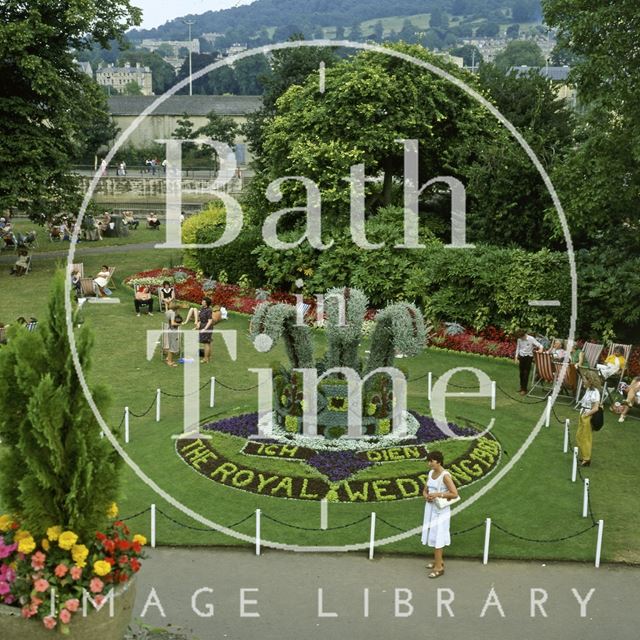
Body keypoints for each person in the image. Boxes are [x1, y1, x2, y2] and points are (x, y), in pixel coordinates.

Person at [421, 450, 458, 579]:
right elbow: (425, 491)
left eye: (431, 461)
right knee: (433, 534)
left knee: (438, 536)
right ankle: (438, 561)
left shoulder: (445, 476)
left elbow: (454, 494)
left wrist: (438, 494)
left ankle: (439, 568)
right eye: (429, 461)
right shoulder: (431, 473)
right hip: (431, 508)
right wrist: (427, 497)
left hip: (441, 511)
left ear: (439, 461)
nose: (429, 463)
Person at [576, 376, 601, 467]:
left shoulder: (595, 392)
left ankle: (586, 459)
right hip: (583, 414)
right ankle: (584, 456)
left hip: (587, 417)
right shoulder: (588, 390)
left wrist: (586, 415)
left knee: (586, 437)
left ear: (590, 381)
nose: (583, 381)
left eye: (585, 380)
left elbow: (595, 408)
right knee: (579, 435)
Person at [514, 329, 543, 395]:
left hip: (528, 357)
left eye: (521, 337)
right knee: (521, 373)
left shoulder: (531, 339)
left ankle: (524, 389)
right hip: (521, 356)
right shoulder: (519, 339)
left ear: (524, 335)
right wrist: (516, 357)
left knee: (526, 373)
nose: (520, 338)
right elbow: (518, 348)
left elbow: (540, 345)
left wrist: (541, 349)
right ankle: (522, 388)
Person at [197, 297, 214, 363]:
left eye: (203, 301)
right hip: (202, 325)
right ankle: (208, 356)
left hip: (207, 326)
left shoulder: (209, 310)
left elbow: (210, 321)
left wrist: (205, 329)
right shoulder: (202, 308)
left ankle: (206, 358)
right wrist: (198, 323)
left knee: (206, 343)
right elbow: (200, 317)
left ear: (206, 303)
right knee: (207, 342)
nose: (202, 302)